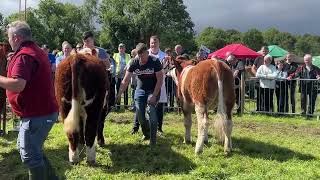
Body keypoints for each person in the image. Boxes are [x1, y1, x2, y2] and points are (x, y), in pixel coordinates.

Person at [5, 21, 59, 179]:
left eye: (9, 37)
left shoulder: (24, 56)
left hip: (37, 115)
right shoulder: (36, 51)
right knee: (30, 149)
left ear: (16, 38)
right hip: (41, 112)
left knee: (31, 156)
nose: (8, 41)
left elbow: (18, 84)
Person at [116, 43, 163, 146]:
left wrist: (154, 96)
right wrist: (119, 94)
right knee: (140, 115)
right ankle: (146, 134)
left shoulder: (155, 61)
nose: (141, 59)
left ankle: (153, 141)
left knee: (152, 113)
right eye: (139, 56)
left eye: (143, 56)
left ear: (147, 52)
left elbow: (160, 79)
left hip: (153, 90)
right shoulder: (134, 62)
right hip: (140, 90)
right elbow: (126, 80)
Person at [148, 35, 167, 133]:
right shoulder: (145, 54)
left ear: (159, 43)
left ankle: (159, 128)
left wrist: (167, 65)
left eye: (155, 42)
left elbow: (168, 70)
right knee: (147, 106)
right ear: (149, 43)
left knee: (159, 107)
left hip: (160, 84)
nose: (153, 44)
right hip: (148, 84)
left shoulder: (164, 56)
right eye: (152, 43)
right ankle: (146, 128)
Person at [252, 46, 270, 111]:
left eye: (266, 51)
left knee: (267, 95)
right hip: (258, 80)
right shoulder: (258, 58)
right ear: (261, 51)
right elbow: (253, 68)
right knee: (259, 95)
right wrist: (257, 75)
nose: (264, 52)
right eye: (263, 51)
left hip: (267, 81)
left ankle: (266, 109)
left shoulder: (271, 58)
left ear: (268, 51)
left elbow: (273, 68)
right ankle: (259, 109)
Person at [113, 43, 131, 110]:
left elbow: (130, 63)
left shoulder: (128, 55)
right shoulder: (115, 55)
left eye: (122, 48)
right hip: (117, 76)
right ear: (118, 48)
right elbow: (113, 64)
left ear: (125, 49)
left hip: (125, 76)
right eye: (120, 48)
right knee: (118, 90)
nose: (121, 49)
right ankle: (118, 105)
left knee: (125, 91)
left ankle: (126, 105)